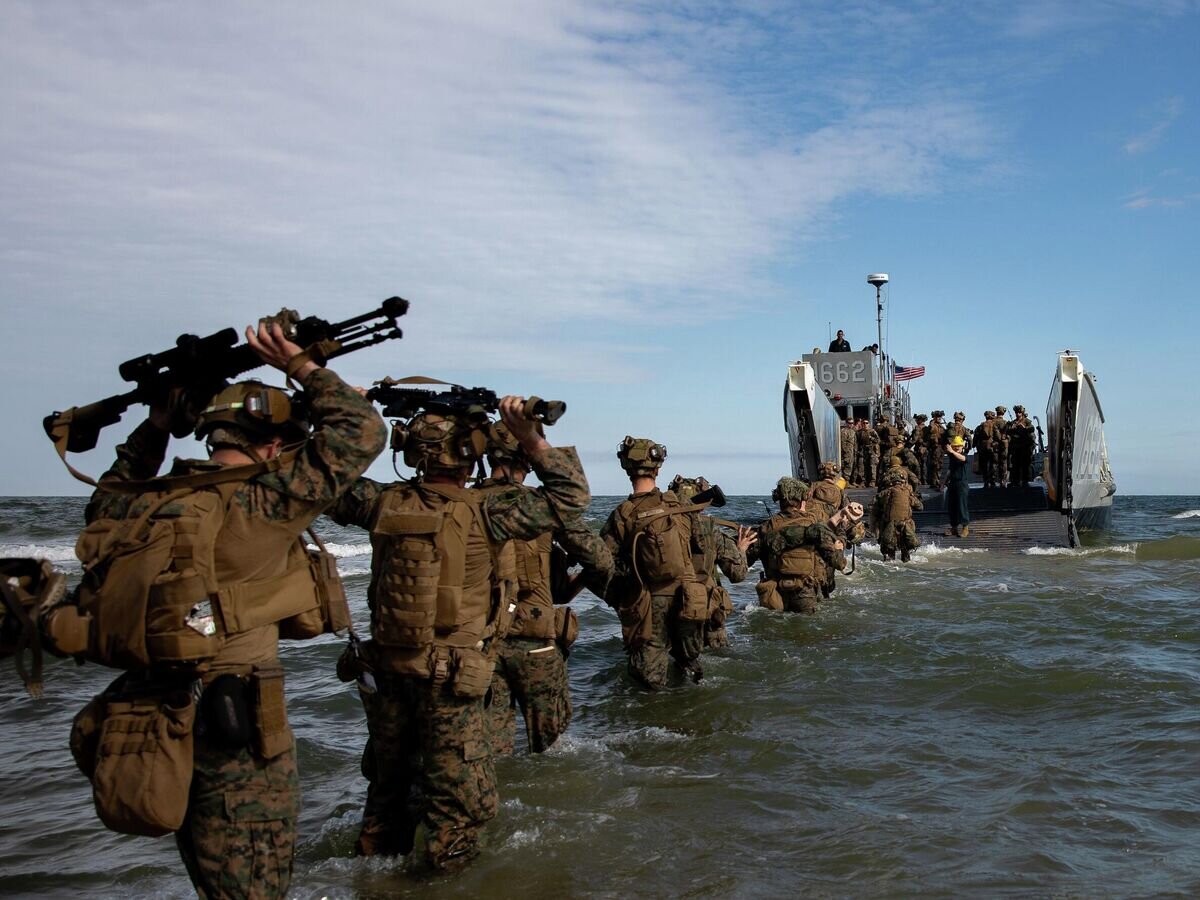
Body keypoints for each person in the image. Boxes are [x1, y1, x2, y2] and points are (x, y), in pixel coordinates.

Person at [78, 321, 387, 899]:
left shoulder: (142, 504)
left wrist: (157, 424)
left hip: (155, 718)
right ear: (272, 447)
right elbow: (363, 432)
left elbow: (108, 493)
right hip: (237, 728)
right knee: (253, 887)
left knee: (211, 879)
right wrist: (302, 367)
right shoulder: (258, 503)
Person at [326, 395, 592, 870]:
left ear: (411, 450)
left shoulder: (379, 503)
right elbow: (570, 497)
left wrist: (340, 413)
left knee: (387, 797)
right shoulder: (488, 511)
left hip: (386, 676)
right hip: (450, 682)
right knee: (457, 809)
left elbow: (320, 482)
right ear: (472, 454)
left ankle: (370, 882)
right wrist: (530, 437)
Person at [478, 421, 612, 756]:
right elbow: (600, 560)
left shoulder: (465, 504)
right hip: (535, 641)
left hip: (478, 643)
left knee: (489, 751)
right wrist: (572, 580)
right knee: (553, 751)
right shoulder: (539, 506)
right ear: (527, 457)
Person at [599, 438, 708, 689]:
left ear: (627, 470)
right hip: (689, 598)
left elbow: (601, 562)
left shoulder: (623, 514)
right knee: (689, 666)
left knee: (649, 681)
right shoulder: (681, 505)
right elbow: (701, 549)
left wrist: (620, 598)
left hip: (649, 604)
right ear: (657, 469)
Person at [666, 475, 755, 650]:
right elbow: (737, 574)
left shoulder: (660, 528)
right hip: (703, 608)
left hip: (667, 607)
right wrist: (741, 549)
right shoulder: (710, 529)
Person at [749, 479, 862, 614]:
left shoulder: (766, 527)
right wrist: (841, 537)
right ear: (803, 500)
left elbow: (747, 560)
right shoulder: (815, 525)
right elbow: (838, 563)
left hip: (773, 596)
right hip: (805, 595)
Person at [870, 468, 923, 561]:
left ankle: (889, 559)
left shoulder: (885, 493)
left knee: (889, 554)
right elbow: (920, 507)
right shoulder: (908, 493)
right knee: (906, 553)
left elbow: (874, 507)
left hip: (889, 527)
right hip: (906, 527)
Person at [944, 434, 971, 537]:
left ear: (962, 446)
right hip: (953, 483)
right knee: (952, 506)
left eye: (958, 446)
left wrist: (952, 451)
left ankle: (965, 527)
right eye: (954, 446)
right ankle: (954, 528)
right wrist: (944, 482)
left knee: (962, 506)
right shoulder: (952, 457)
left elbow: (963, 459)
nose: (956, 448)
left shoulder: (963, 455)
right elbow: (950, 470)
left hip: (961, 483)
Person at [1008, 405, 1036, 488]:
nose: (1018, 414)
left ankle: (1025, 481)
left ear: (1022, 413)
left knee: (1025, 464)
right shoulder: (1013, 422)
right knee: (1015, 464)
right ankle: (1015, 481)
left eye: (1019, 412)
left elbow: (1032, 429)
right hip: (1016, 446)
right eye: (1016, 412)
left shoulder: (1027, 421)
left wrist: (1024, 427)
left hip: (1025, 446)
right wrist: (1012, 428)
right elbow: (1008, 431)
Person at [973, 410, 997, 488]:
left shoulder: (980, 426)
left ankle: (986, 481)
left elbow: (975, 437)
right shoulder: (994, 426)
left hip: (982, 447)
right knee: (993, 464)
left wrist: (973, 445)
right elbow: (998, 436)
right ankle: (992, 481)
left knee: (984, 465)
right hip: (992, 447)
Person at [925, 411, 946, 489]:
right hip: (935, 448)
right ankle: (935, 482)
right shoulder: (932, 425)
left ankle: (937, 481)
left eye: (940, 417)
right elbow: (930, 431)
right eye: (938, 417)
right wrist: (932, 422)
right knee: (935, 465)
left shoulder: (941, 427)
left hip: (941, 447)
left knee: (939, 465)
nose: (939, 419)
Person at [992, 405, 1010, 488]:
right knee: (1004, 462)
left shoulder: (992, 422)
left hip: (994, 445)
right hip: (1004, 445)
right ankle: (1003, 481)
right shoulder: (1006, 423)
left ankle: (992, 481)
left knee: (994, 463)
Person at [910, 414, 929, 485]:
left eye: (917, 420)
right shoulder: (927, 428)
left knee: (917, 464)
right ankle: (924, 480)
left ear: (920, 420)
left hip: (918, 448)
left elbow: (914, 439)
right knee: (924, 464)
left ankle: (919, 479)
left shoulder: (917, 428)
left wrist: (907, 446)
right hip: (925, 448)